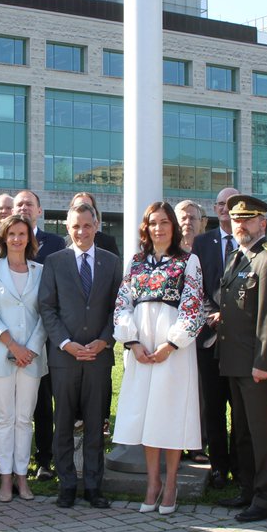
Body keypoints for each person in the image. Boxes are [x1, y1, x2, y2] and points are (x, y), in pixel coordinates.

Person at [112, 202, 203, 515]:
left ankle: (172, 482)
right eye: (153, 223)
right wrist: (133, 342)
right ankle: (152, 483)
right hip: (142, 348)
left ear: (173, 227)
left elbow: (193, 306)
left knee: (171, 413)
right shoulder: (136, 262)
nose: (159, 228)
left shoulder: (188, 261)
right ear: (146, 227)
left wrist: (171, 344)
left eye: (165, 222)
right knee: (148, 415)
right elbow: (122, 304)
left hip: (172, 349)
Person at [39, 202, 120, 509]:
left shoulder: (111, 262)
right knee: (63, 422)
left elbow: (118, 307)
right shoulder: (55, 261)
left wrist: (104, 341)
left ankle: (93, 486)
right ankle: (67, 484)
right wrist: (65, 343)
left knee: (95, 423)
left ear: (96, 225)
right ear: (67, 228)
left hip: (99, 357)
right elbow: (47, 306)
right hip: (65, 357)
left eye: (87, 226)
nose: (81, 232)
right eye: (75, 226)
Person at [216, 195, 267, 522]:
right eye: (236, 220)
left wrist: (263, 362)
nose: (241, 225)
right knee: (242, 430)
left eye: (247, 219)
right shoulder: (237, 257)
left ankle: (265, 496)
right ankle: (247, 489)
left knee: (262, 431)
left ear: (263, 222)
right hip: (234, 360)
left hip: (255, 365)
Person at [0, 214, 47, 502]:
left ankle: (23, 477)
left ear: (29, 238)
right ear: (4, 238)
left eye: (22, 234)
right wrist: (13, 345)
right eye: (12, 234)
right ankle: (5, 479)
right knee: (4, 418)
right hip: (0, 353)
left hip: (32, 356)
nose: (17, 239)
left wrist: (29, 348)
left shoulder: (41, 271)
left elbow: (46, 313)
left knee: (24, 418)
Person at [191, 187, 241, 489]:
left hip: (241, 339)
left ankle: (240, 464)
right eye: (221, 204)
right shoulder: (201, 243)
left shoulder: (251, 244)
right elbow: (196, 285)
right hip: (208, 336)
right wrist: (214, 313)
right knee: (213, 407)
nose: (225, 209)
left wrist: (231, 315)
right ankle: (219, 467)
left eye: (231, 204)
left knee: (240, 408)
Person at [15, 189, 66, 480]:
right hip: (12, 334)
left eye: (29, 204)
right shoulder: (5, 238)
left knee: (44, 400)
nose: (23, 208)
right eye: (19, 204)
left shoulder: (55, 243)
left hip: (45, 332)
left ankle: (44, 459)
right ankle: (12, 459)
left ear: (39, 210)